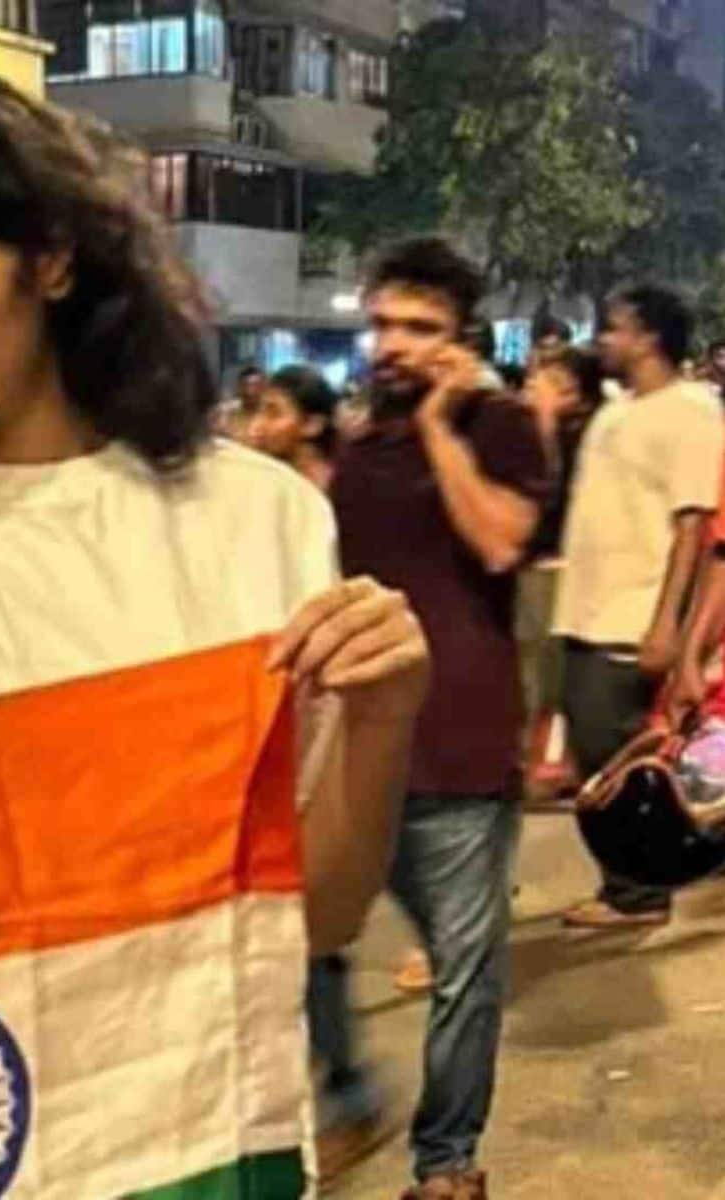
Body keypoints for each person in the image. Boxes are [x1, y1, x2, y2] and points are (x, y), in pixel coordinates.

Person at [0, 68, 427, 1187]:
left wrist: (382, 720)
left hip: (204, 1141)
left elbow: (313, 915)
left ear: (52, 256)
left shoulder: (254, 519)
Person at [332, 237, 549, 1200]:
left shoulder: (497, 426)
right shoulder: (356, 443)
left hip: (459, 743)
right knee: (305, 941)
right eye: (382, 324)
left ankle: (446, 1164)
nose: (394, 344)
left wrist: (440, 428)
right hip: (351, 742)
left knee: (465, 971)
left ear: (460, 340)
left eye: (419, 329)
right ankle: (345, 1097)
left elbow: (500, 544)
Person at [247, 361, 387, 1178]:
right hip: (271, 727)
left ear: (308, 421)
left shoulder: (314, 501)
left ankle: (348, 1098)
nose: (256, 422)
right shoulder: (247, 497)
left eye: (271, 410)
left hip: (321, 724)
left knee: (317, 944)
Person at [553, 284, 723, 929]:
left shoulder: (691, 410)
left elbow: (695, 526)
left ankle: (640, 891)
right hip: (587, 612)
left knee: (626, 764)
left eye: (614, 327)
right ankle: (633, 883)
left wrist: (668, 629)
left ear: (649, 337)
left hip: (632, 618)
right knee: (596, 759)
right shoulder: (616, 410)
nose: (604, 339)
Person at [516, 347, 604, 802]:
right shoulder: (518, 429)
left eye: (556, 385)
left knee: (543, 677)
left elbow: (547, 494)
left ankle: (542, 766)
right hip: (533, 568)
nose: (538, 391)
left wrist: (546, 426)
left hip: (556, 568)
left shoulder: (585, 438)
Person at [247, 363, 339, 490]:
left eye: (274, 413)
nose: (256, 425)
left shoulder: (339, 491)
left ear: (312, 425)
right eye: (259, 411)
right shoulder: (269, 479)